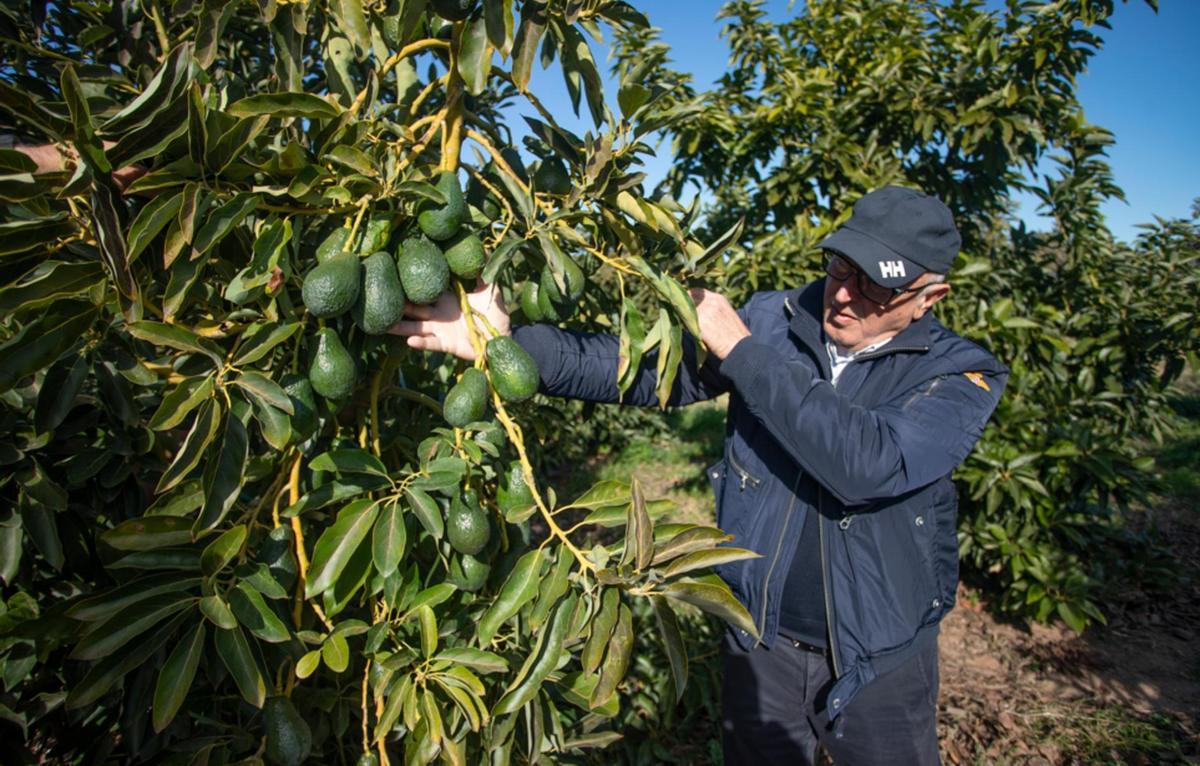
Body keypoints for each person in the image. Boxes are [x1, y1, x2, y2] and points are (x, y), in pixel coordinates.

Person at [391, 186, 1008, 765]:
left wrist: (741, 352)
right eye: (840, 268)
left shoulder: (959, 375)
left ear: (929, 297)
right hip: (761, 638)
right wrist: (507, 343)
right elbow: (639, 370)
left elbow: (869, 464)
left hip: (880, 657)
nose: (843, 295)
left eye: (875, 287)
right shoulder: (778, 321)